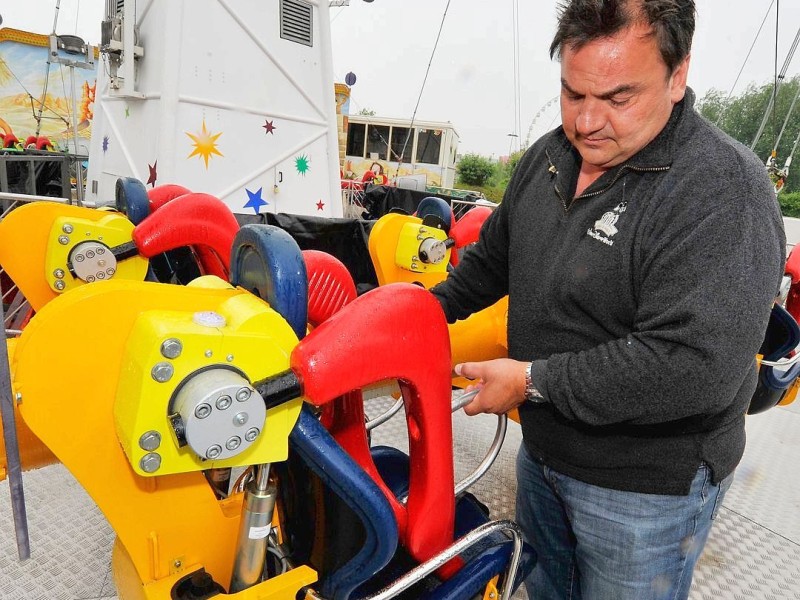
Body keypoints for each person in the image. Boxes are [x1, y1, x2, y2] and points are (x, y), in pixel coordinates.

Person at [430, 1, 786, 599]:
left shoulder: (724, 192)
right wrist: (402, 317)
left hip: (645, 492)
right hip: (544, 455)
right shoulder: (547, 157)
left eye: (618, 99)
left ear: (678, 76)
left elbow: (695, 369)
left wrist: (529, 382)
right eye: (573, 94)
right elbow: (485, 269)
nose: (587, 122)